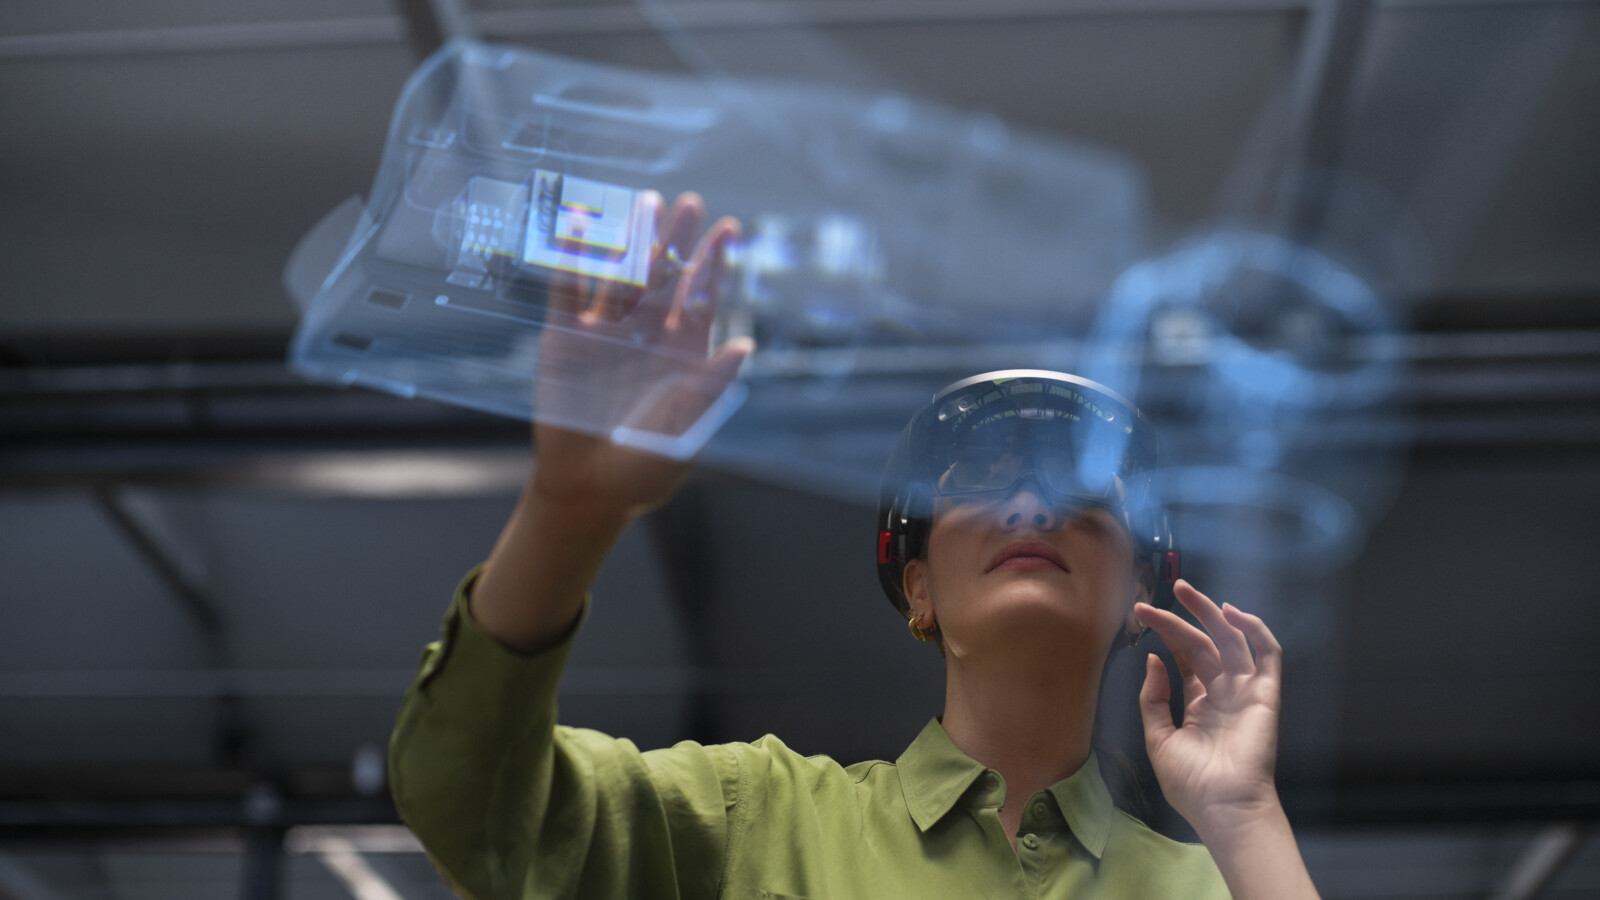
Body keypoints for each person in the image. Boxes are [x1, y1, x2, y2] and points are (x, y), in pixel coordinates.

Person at [389, 193, 1322, 899]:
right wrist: (568, 509)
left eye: (1081, 489)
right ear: (917, 589)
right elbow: (472, 806)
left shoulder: (1209, 882)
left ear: (1137, 595)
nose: (1034, 501)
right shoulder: (756, 821)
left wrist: (1245, 816)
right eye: (981, 476)